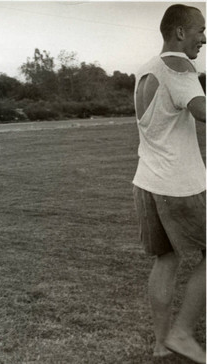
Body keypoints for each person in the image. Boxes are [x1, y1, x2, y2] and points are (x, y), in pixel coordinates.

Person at [132, 4, 206, 363]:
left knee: (167, 258)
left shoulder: (146, 68)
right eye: (200, 30)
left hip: (147, 181)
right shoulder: (181, 66)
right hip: (180, 186)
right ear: (180, 33)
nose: (204, 38)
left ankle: (162, 344)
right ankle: (181, 333)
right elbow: (202, 111)